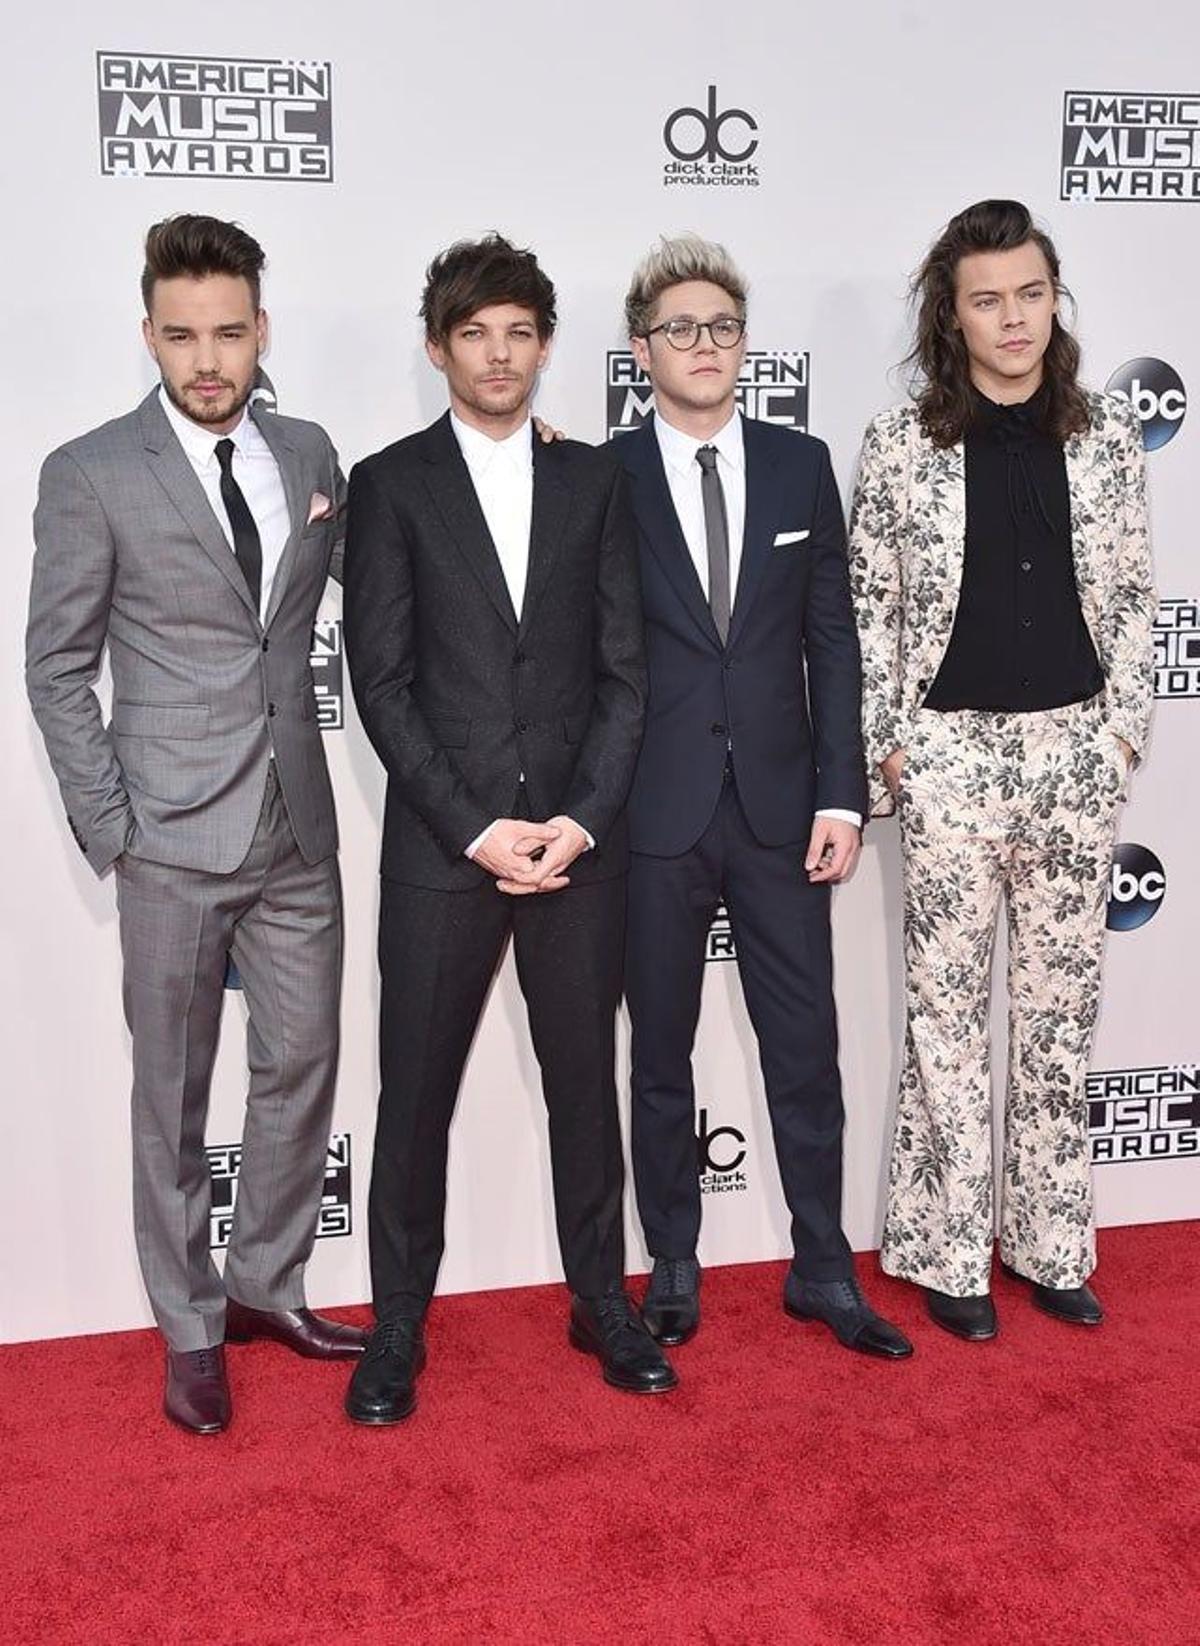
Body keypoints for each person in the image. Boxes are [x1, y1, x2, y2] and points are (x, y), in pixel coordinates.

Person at [25, 215, 364, 1435]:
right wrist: (112, 825)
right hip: (166, 832)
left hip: (297, 827)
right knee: (171, 1093)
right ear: (150, 334)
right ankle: (188, 1323)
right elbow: (56, 666)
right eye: (182, 335)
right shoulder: (91, 470)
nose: (207, 357)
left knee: (303, 1062)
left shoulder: (312, 448)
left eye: (229, 332)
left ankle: (267, 1280)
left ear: (262, 329)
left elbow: (374, 586)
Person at [342, 233, 675, 1425]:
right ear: (439, 347)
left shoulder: (597, 483)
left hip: (580, 853)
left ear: (544, 344)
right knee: (413, 1098)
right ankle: (395, 1327)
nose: (498, 353)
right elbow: (378, 681)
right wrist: (478, 825)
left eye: (520, 331)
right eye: (475, 332)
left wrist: (579, 820)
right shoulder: (387, 485)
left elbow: (627, 676)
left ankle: (603, 1301)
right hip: (446, 850)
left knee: (587, 1087)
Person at [848, 199, 1156, 1341]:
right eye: (988, 299)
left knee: (1061, 1013)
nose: (1012, 317)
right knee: (943, 1021)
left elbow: (1133, 596)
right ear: (954, 314)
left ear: (1053, 299)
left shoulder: (1108, 437)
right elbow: (869, 607)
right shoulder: (901, 444)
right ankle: (944, 1252)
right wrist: (896, 749)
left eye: (1030, 294)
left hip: (1075, 750)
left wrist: (1119, 733)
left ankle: (1051, 1243)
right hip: (949, 757)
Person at [612, 234, 911, 1360]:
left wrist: (844, 794)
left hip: (788, 809)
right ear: (643, 350)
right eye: (681, 327)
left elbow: (832, 645)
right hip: (653, 812)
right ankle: (674, 1263)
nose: (705, 345)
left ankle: (824, 1264)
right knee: (658, 1054)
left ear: (745, 344)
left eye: (723, 326)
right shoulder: (603, 475)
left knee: (805, 1046)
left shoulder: (798, 463)